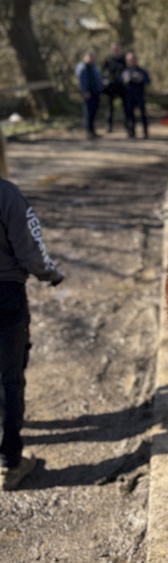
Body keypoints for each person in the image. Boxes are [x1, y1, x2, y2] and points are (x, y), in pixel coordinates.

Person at [0, 173, 64, 490]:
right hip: (5, 297)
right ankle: (9, 462)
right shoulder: (7, 194)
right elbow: (30, 249)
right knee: (9, 378)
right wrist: (50, 273)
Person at [75, 49, 104, 139]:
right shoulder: (82, 67)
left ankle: (92, 131)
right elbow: (82, 81)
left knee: (94, 112)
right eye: (90, 57)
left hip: (96, 92)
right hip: (88, 93)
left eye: (93, 57)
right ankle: (88, 131)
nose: (92, 59)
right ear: (86, 57)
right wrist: (85, 91)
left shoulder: (94, 67)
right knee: (88, 112)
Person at [121, 52, 151, 139]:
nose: (131, 62)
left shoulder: (142, 71)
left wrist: (141, 78)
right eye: (129, 60)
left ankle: (145, 132)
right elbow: (120, 82)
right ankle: (131, 132)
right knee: (129, 115)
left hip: (139, 96)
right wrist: (125, 80)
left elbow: (148, 81)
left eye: (133, 59)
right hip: (128, 96)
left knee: (143, 115)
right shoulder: (125, 72)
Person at [102, 41, 127, 133]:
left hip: (122, 87)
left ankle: (127, 126)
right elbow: (103, 72)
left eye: (117, 49)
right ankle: (108, 126)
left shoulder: (123, 59)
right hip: (111, 87)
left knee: (126, 107)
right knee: (109, 108)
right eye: (114, 49)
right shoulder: (108, 59)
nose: (115, 50)